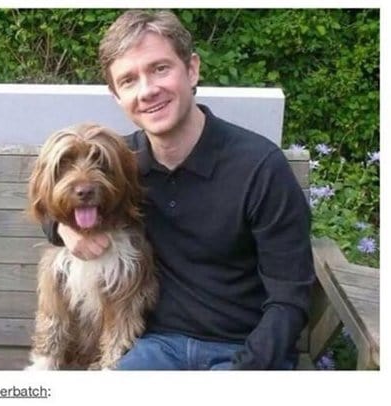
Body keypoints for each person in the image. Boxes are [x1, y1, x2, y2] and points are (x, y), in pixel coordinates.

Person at [43, 9, 315, 370]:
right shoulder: (117, 164)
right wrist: (63, 229)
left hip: (242, 350)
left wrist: (244, 370)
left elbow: (289, 298)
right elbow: (53, 199)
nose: (147, 91)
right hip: (155, 348)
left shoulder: (260, 167)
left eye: (160, 69)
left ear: (192, 70)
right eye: (128, 80)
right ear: (116, 96)